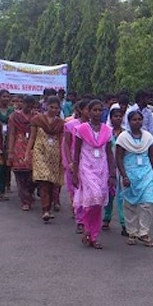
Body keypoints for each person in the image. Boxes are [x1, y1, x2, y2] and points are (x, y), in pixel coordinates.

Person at [72, 99, 115, 249]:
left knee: (98, 202)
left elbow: (109, 153)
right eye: (94, 110)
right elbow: (76, 152)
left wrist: (112, 174)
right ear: (88, 112)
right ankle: (87, 229)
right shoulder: (82, 129)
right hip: (86, 167)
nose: (97, 113)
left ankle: (93, 235)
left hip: (102, 168)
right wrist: (75, 172)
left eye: (100, 110)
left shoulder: (107, 130)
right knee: (92, 199)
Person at [116, 110, 153, 247]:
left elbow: (152, 155)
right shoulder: (123, 138)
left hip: (146, 172)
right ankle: (132, 232)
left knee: (148, 202)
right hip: (130, 173)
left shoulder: (148, 137)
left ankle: (144, 232)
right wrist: (124, 176)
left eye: (139, 119)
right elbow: (119, 158)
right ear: (129, 122)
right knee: (130, 204)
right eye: (134, 120)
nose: (137, 122)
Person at [28, 96, 64, 222]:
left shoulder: (60, 123)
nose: (53, 110)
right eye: (51, 107)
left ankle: (49, 206)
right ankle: (45, 210)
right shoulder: (37, 120)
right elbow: (32, 137)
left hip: (54, 153)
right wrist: (28, 153)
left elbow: (61, 140)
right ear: (46, 106)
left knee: (51, 182)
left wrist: (63, 156)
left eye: (56, 108)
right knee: (44, 180)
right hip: (40, 151)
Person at [62, 99, 91, 233]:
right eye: (88, 109)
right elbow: (67, 145)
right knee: (76, 191)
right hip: (75, 159)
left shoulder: (95, 126)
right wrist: (70, 162)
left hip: (90, 162)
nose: (90, 113)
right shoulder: (71, 125)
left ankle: (89, 218)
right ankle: (80, 220)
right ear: (80, 110)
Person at [102, 102, 128, 236]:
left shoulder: (126, 134)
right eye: (115, 116)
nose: (118, 118)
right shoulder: (106, 132)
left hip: (122, 167)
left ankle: (124, 224)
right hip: (107, 167)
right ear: (111, 118)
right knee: (109, 194)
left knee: (122, 196)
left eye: (120, 116)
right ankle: (106, 218)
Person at [7, 95, 36, 211]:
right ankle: (25, 200)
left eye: (30, 106)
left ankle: (29, 194)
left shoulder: (36, 117)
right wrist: (10, 151)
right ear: (22, 104)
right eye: (26, 105)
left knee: (33, 174)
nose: (28, 108)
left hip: (33, 145)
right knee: (20, 174)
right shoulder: (14, 117)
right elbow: (12, 134)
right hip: (19, 145)